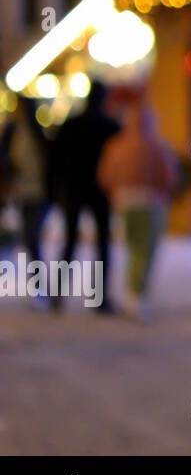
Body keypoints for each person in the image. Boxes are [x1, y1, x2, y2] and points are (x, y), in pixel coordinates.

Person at [97, 102, 179, 319]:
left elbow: (105, 176)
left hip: (124, 203)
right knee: (145, 252)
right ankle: (136, 295)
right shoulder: (157, 147)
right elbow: (169, 177)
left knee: (133, 250)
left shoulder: (116, 146)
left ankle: (131, 294)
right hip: (150, 203)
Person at [53, 81, 121, 312]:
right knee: (102, 244)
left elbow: (57, 159)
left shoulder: (71, 125)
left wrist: (56, 188)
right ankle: (98, 298)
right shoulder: (110, 126)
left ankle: (58, 295)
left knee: (70, 242)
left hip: (73, 189)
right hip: (99, 191)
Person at [4, 99, 53, 295]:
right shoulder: (13, 132)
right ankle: (38, 286)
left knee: (32, 237)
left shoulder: (36, 133)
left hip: (39, 192)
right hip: (22, 191)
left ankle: (39, 286)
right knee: (29, 238)